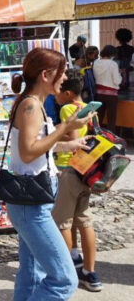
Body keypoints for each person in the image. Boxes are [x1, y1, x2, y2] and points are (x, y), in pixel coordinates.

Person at [6, 48, 93, 300]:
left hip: (31, 203)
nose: (65, 78)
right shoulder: (31, 105)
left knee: (32, 273)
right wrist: (66, 127)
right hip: (31, 207)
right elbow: (28, 152)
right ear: (46, 74)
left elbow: (37, 148)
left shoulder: (33, 104)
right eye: (62, 73)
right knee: (64, 280)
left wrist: (69, 144)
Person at [52, 70, 102, 292]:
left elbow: (73, 138)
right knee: (83, 220)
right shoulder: (91, 108)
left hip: (67, 168)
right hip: (86, 170)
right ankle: (89, 272)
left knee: (62, 221)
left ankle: (66, 273)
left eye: (58, 92)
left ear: (68, 92)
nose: (55, 96)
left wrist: (52, 133)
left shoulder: (67, 108)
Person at [92, 45, 121, 132]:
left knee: (98, 118)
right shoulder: (113, 64)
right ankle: (111, 138)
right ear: (112, 54)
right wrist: (121, 76)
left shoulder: (96, 62)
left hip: (98, 93)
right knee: (111, 119)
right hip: (111, 95)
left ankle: (96, 136)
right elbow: (117, 81)